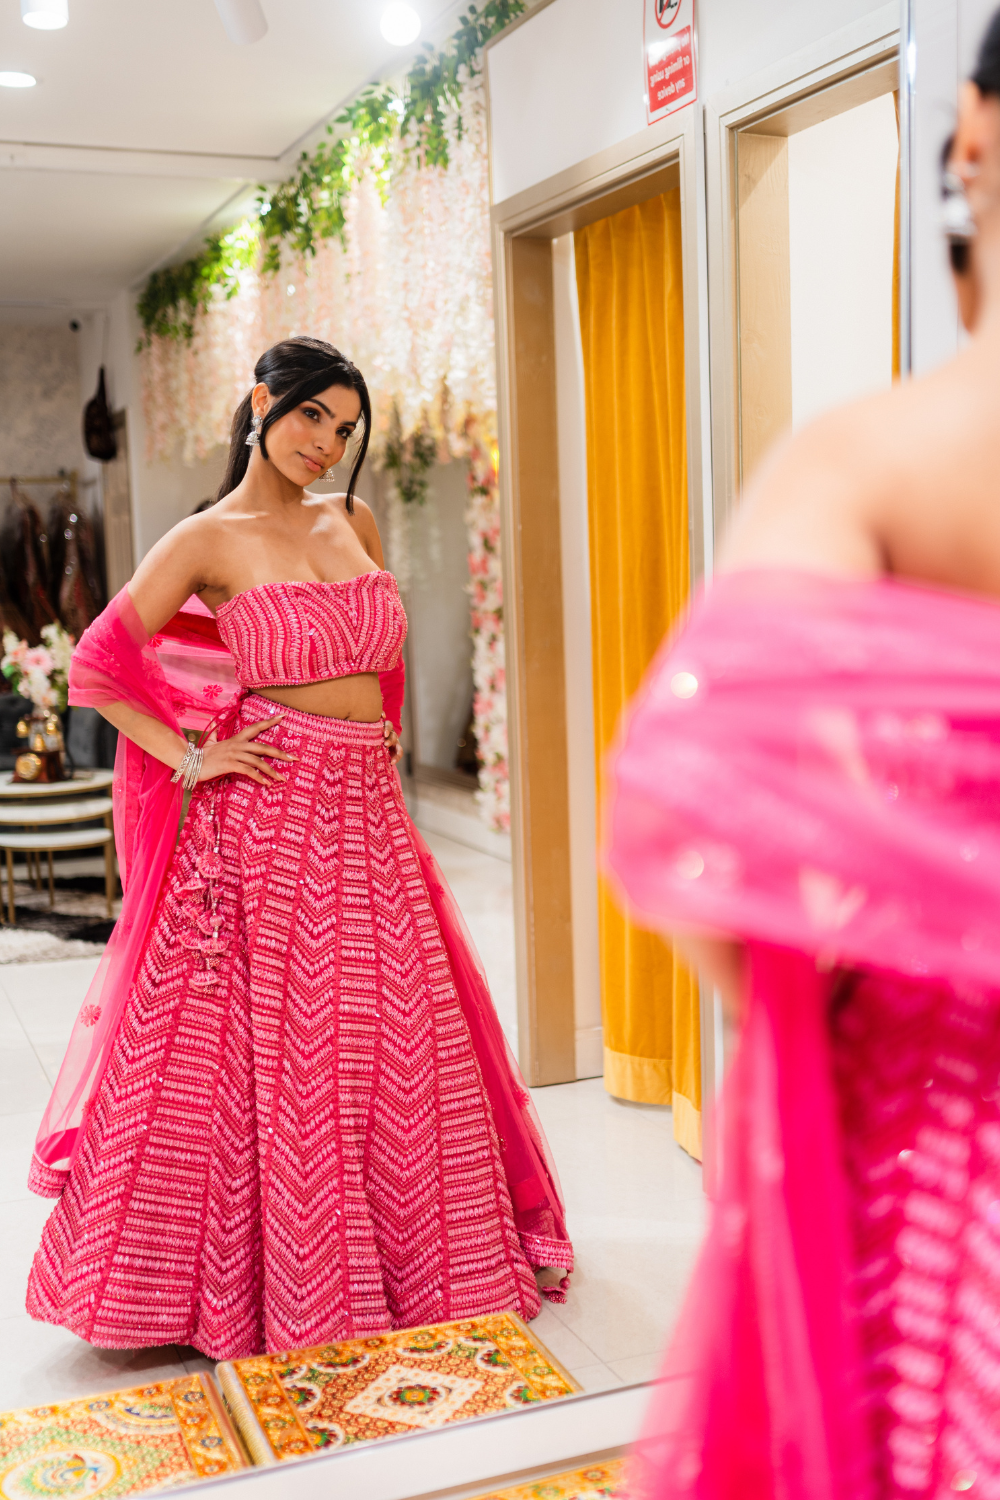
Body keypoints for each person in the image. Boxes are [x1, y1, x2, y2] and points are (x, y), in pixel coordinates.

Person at [606, 14, 1000, 1499]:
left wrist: (836, 1018)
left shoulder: (879, 462)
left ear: (970, 135)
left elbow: (684, 807)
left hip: (954, 1136)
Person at [26, 336, 572, 1359]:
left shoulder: (352, 519)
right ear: (260, 406)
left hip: (367, 813)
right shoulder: (205, 540)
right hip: (268, 824)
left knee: (401, 1038)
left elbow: (381, 671)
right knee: (280, 1053)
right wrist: (191, 757)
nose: (328, 442)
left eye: (346, 427)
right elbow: (99, 668)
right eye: (312, 416)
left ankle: (431, 1263)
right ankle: (258, 1285)